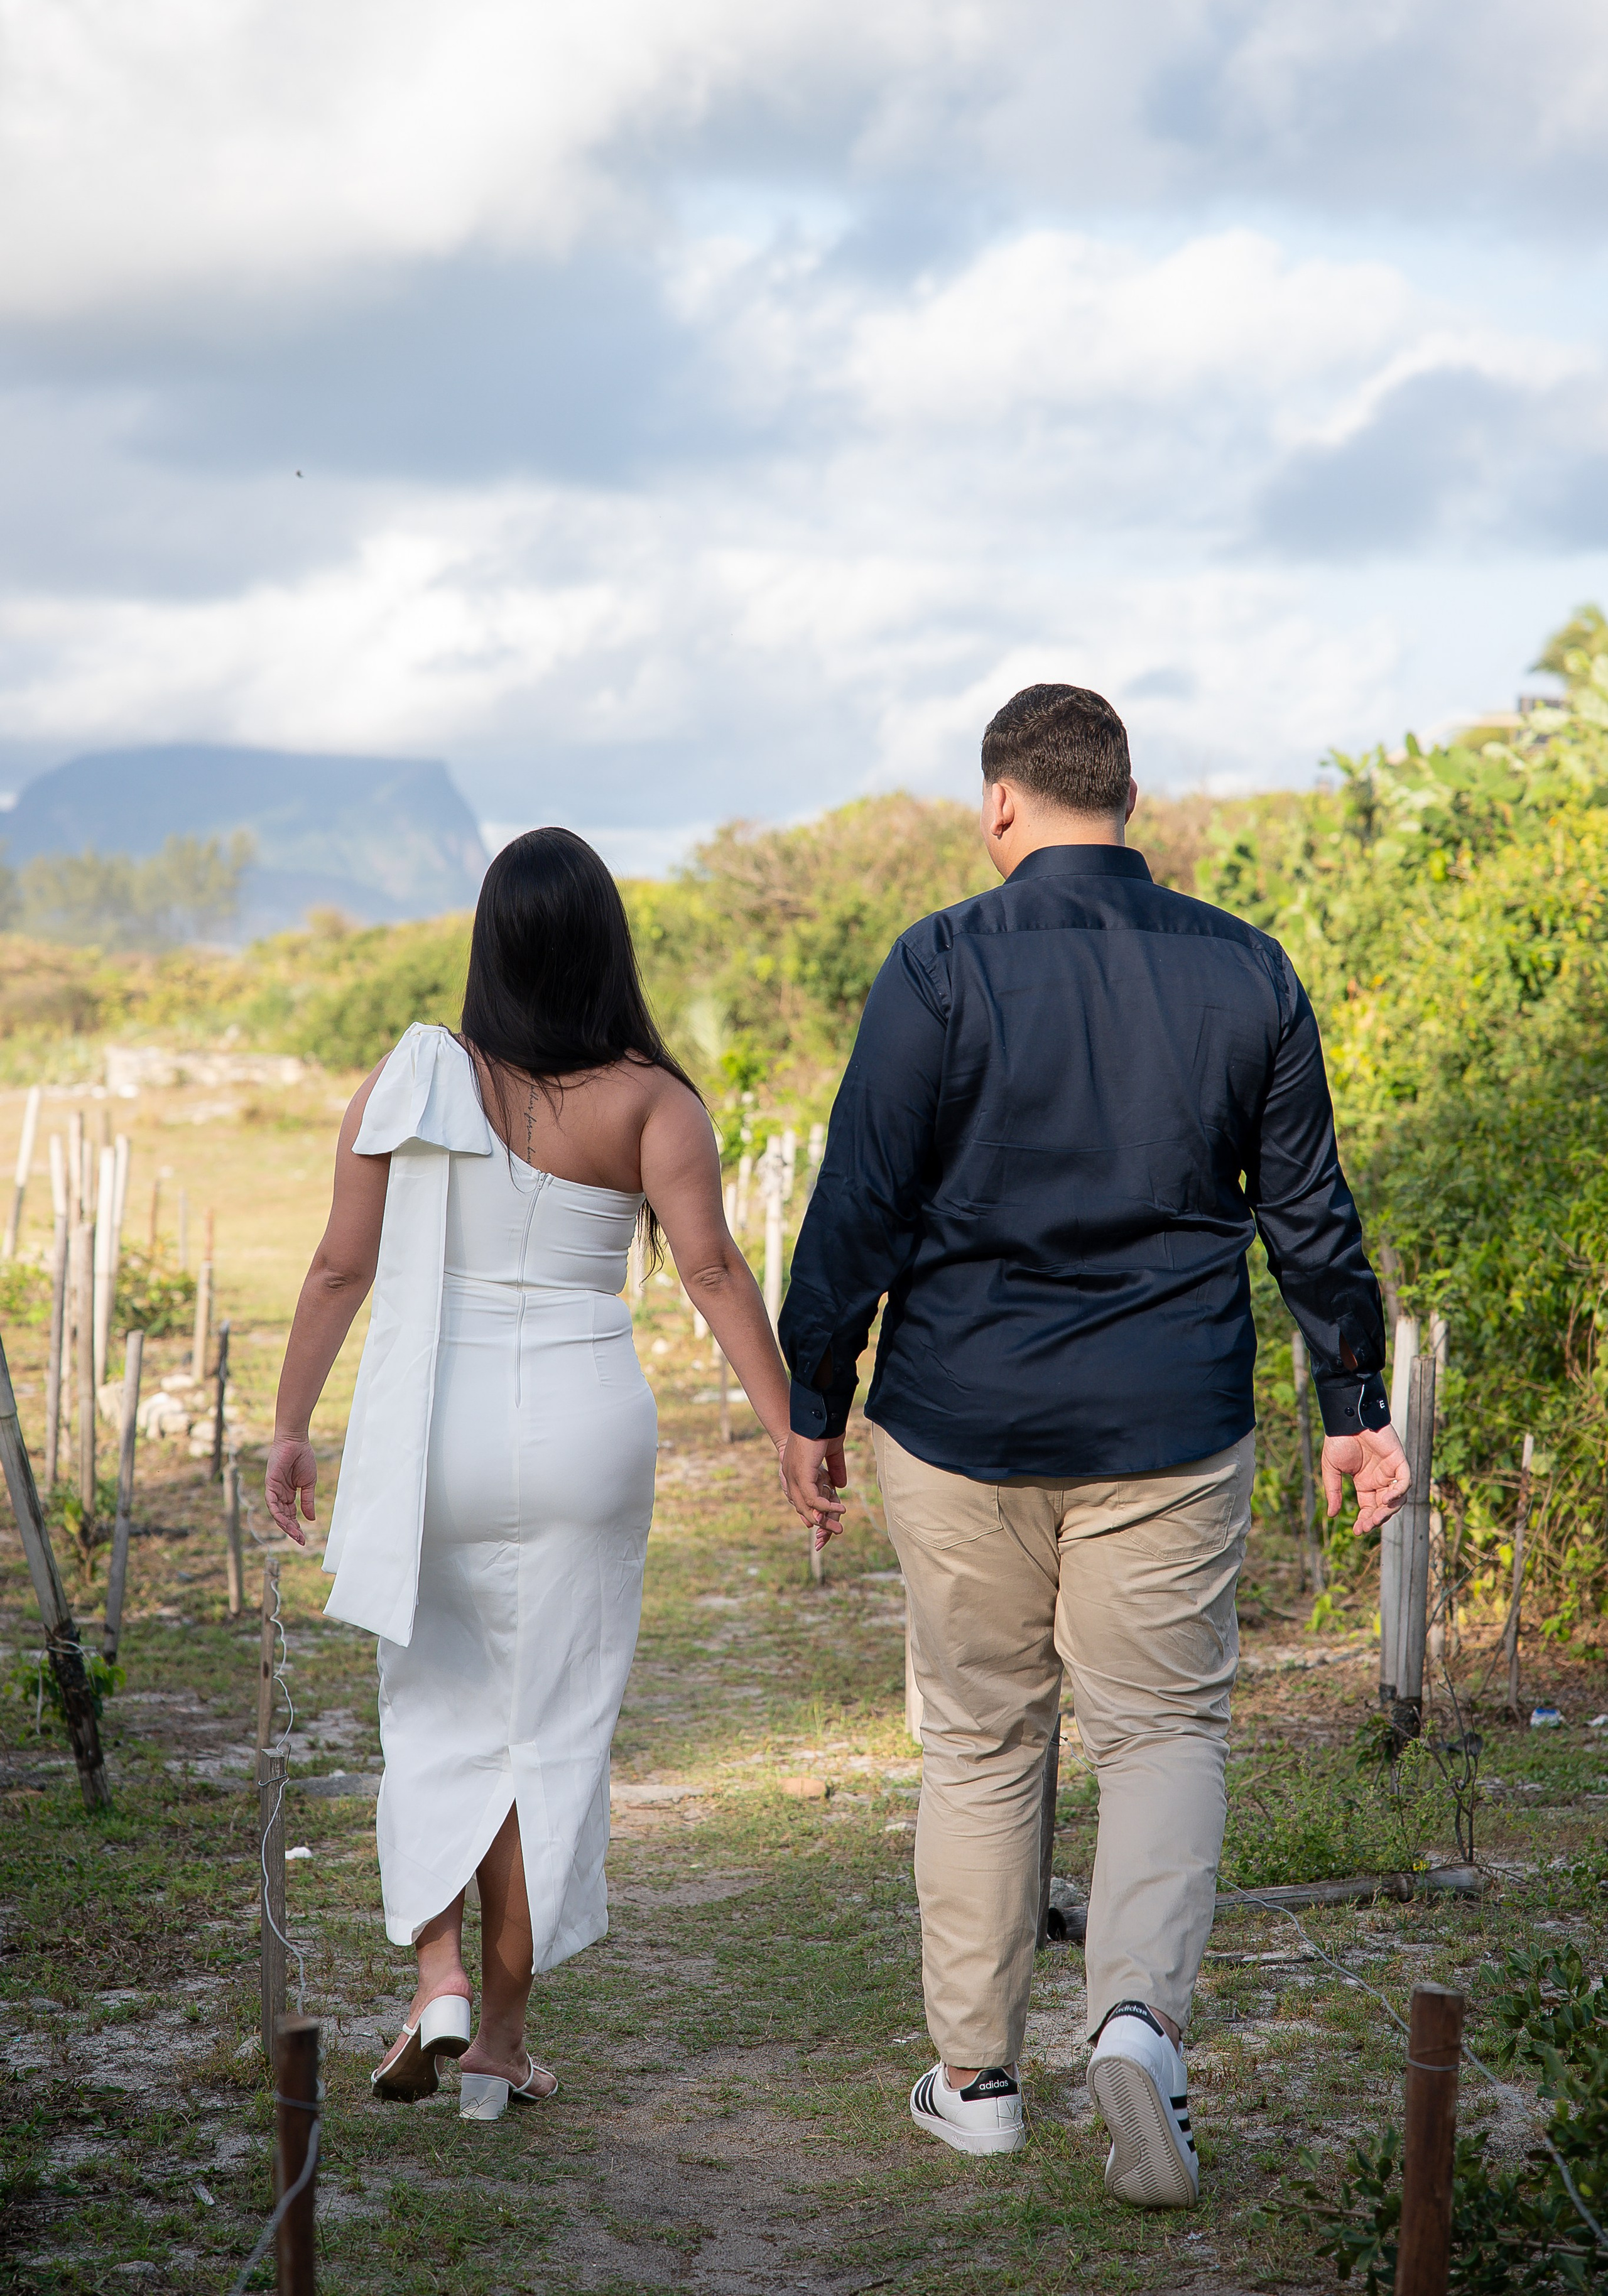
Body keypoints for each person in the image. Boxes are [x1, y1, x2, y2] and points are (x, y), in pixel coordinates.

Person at [777, 685, 1409, 2202]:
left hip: (956, 1422)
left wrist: (814, 1399)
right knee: (1162, 1731)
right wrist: (1351, 1405)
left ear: (1002, 804)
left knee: (984, 1738)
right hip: (1167, 1424)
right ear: (1126, 798)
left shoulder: (936, 965)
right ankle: (1133, 2023)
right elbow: (1306, 1213)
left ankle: (978, 2082)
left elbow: (858, 1199)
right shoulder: (1244, 970)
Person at [265, 828, 790, 2119]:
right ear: (607, 945)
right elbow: (713, 1272)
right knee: (548, 1730)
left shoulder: (413, 1078)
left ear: (487, 946)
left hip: (433, 1440)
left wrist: (290, 1426)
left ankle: (436, 1974)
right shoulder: (652, 1103)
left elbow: (341, 1267)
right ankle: (499, 2046)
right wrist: (790, 1429)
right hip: (583, 1433)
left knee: (436, 1708)